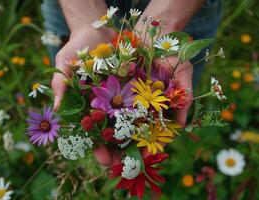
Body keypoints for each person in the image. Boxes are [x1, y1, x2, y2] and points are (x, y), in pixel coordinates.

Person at [41, 0, 221, 166]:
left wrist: (167, 17)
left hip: (187, 10)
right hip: (73, 8)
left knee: (173, 100)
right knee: (74, 88)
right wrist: (86, 22)